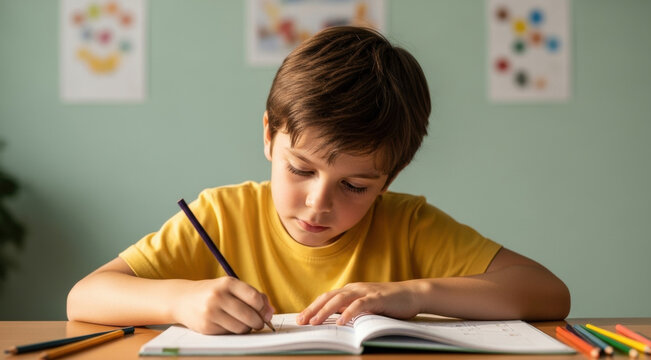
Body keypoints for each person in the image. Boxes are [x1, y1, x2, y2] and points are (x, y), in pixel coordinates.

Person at [67, 26, 570, 335]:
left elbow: (547, 292)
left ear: (389, 178)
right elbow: (85, 296)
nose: (317, 203)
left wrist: (415, 295)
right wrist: (178, 301)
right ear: (269, 136)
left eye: (355, 186)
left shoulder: (409, 225)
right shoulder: (221, 215)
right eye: (300, 169)